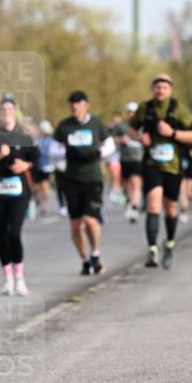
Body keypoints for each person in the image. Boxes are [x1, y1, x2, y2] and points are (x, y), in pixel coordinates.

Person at [128, 73, 192, 269]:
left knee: (171, 208)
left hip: (173, 166)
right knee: (153, 205)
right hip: (152, 164)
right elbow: (131, 129)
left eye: (165, 88)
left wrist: (173, 133)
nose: (161, 91)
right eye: (158, 87)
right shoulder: (145, 108)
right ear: (153, 89)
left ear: (170, 90)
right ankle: (152, 249)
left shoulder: (179, 109)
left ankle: (169, 243)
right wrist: (139, 137)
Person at [0, 98, 39, 296]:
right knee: (3, 236)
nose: (6, 111)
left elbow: (37, 161)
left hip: (19, 192)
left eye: (9, 108)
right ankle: (7, 279)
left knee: (15, 233)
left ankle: (20, 278)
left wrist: (26, 165)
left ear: (16, 111)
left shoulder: (24, 136)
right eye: (3, 109)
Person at [54, 90, 108, 275]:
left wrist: (98, 154)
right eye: (72, 103)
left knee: (90, 220)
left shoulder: (96, 123)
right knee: (76, 224)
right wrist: (66, 153)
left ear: (87, 105)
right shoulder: (64, 126)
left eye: (78, 103)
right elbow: (53, 147)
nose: (74, 106)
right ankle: (84, 259)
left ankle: (96, 254)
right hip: (72, 179)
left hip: (92, 178)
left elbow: (110, 144)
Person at [118, 101, 144, 223]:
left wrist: (138, 139)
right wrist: (119, 140)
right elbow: (111, 139)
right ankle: (129, 202)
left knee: (136, 182)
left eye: (134, 112)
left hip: (138, 158)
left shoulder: (142, 125)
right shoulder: (122, 125)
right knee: (125, 185)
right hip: (124, 158)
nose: (131, 114)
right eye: (129, 111)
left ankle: (134, 207)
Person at [32, 120, 56, 216]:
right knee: (36, 187)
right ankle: (37, 199)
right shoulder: (37, 139)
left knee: (45, 185)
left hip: (46, 166)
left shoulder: (51, 140)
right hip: (37, 166)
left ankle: (44, 206)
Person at [106, 111, 126, 206]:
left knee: (122, 176)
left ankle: (119, 191)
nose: (115, 121)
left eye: (117, 119)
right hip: (113, 155)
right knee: (114, 173)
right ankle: (114, 191)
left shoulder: (124, 127)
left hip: (124, 155)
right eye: (113, 119)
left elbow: (126, 138)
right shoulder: (110, 128)